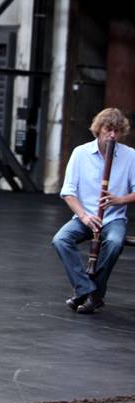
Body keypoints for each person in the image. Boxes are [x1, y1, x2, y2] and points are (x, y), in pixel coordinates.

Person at [51, 108, 134, 314]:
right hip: (85, 216)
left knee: (114, 243)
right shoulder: (80, 153)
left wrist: (119, 199)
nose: (112, 135)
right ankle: (86, 289)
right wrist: (85, 217)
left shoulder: (130, 155)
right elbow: (68, 192)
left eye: (117, 131)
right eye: (108, 129)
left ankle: (93, 295)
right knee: (61, 239)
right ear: (98, 130)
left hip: (113, 219)